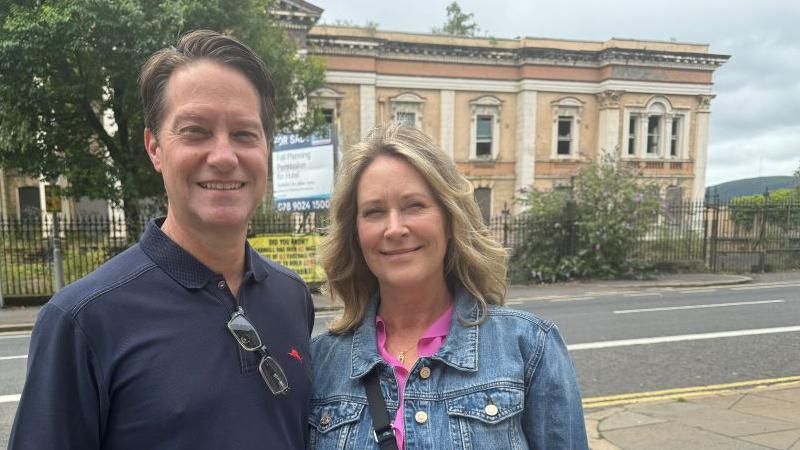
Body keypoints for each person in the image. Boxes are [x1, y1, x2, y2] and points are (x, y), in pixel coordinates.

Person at [9, 30, 314, 450]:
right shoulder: (82, 321)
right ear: (154, 148)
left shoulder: (292, 295)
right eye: (195, 131)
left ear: (266, 147)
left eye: (245, 134)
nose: (224, 157)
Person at [309, 122, 587, 449]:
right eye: (374, 211)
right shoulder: (322, 362)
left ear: (449, 218)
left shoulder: (529, 347)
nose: (394, 228)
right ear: (355, 232)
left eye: (414, 205)